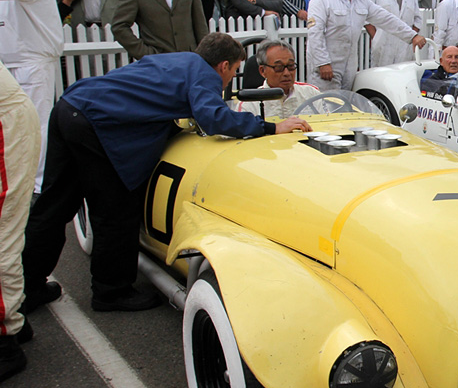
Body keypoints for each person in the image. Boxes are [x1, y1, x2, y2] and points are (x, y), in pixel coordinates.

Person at [20, 34, 312, 315]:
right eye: (234, 71)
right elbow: (214, 118)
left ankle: (24, 287)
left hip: (70, 107)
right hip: (93, 123)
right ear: (224, 66)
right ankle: (111, 291)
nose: (229, 79)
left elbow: (149, 98)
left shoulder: (180, 61)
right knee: (115, 207)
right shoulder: (204, 74)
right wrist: (271, 127)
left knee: (54, 204)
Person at [0, 0, 63, 194]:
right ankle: (24, 183)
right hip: (18, 61)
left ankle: (37, 187)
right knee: (18, 126)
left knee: (35, 125)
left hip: (32, 61)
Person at [306, 0, 427, 91]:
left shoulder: (362, 2)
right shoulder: (321, 1)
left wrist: (412, 36)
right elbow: (315, 34)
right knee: (325, 105)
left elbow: (387, 19)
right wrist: (323, 63)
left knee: (346, 105)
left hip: (350, 66)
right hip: (327, 65)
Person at [0, 63, 40, 383]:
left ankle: (6, 338)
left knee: (2, 237)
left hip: (6, 123)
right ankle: (15, 319)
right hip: (9, 117)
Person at [235, 40, 319, 117]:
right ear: (262, 71)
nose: (287, 73)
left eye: (291, 66)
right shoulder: (248, 105)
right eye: (279, 67)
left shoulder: (311, 94)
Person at [365, 0, 423, 67]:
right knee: (380, 77)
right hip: (383, 44)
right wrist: (376, 36)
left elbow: (417, 19)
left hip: (404, 47)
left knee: (402, 77)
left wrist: (411, 36)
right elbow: (366, 17)